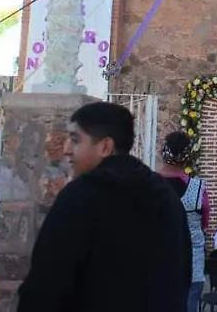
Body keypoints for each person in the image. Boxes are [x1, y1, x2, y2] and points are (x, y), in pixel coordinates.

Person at [18, 101, 191, 312]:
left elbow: (46, 282)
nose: (66, 150)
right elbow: (182, 273)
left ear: (105, 147)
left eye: (75, 140)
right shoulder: (166, 197)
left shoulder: (80, 196)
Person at [159, 131, 210, 312]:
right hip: (192, 266)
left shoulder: (148, 186)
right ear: (188, 157)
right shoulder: (198, 188)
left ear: (163, 152)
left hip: (157, 265)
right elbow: (204, 223)